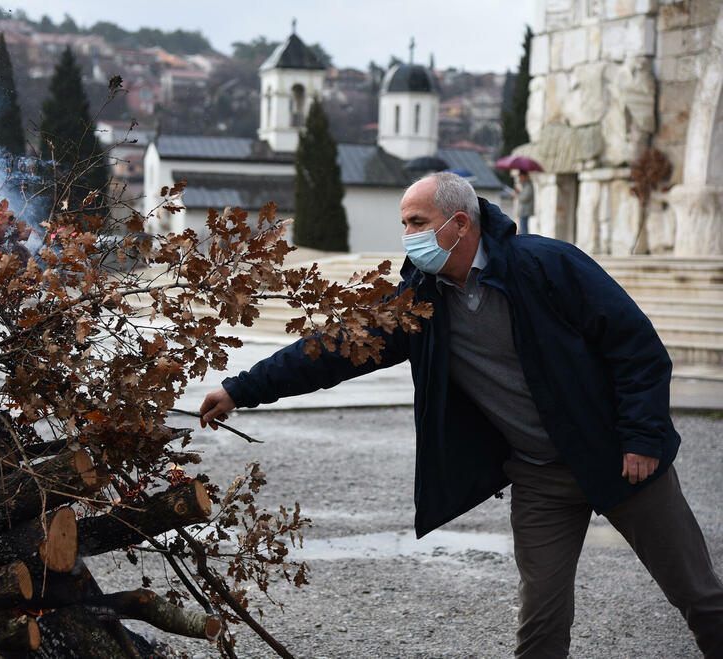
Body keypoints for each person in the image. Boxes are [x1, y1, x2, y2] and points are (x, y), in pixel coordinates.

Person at [199, 172, 723, 658]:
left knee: (699, 597)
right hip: (541, 480)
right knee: (540, 629)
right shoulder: (418, 302)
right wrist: (241, 389)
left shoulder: (547, 266)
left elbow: (636, 348)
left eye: (417, 223)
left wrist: (643, 437)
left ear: (460, 224)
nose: (407, 235)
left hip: (623, 460)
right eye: (404, 223)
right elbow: (336, 348)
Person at [514, 170, 534, 234]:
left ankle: (526, 243)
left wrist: (517, 193)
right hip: (523, 211)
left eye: (520, 176)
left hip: (524, 211)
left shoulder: (528, 185)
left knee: (524, 230)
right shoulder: (525, 185)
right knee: (523, 229)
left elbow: (524, 198)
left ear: (524, 176)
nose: (519, 178)